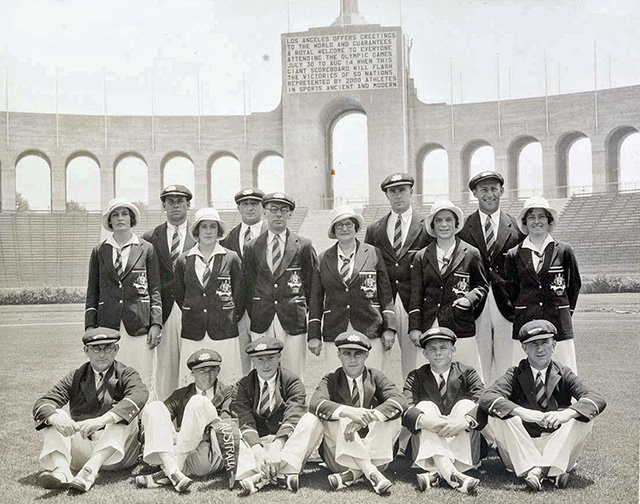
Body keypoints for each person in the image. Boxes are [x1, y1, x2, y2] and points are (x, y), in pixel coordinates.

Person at [479, 320, 605, 491]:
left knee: (583, 417)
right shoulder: (515, 373)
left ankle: (537, 471)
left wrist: (566, 414)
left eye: (544, 343)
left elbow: (596, 398)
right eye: (533, 344)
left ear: (553, 345)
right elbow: (486, 397)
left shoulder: (564, 372)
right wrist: (523, 413)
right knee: (499, 415)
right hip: (521, 446)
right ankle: (553, 471)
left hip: (555, 442)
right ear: (524, 348)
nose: (540, 349)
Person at [33, 328, 148, 492]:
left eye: (108, 348)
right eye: (96, 349)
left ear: (116, 350)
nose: (102, 354)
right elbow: (43, 403)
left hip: (116, 454)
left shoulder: (126, 374)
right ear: (86, 351)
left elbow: (139, 395)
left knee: (123, 416)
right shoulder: (76, 376)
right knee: (54, 414)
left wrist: (102, 420)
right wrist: (56, 419)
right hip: (82, 447)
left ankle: (90, 471)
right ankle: (62, 471)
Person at [309, 331, 407, 495]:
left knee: (391, 416)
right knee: (337, 415)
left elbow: (400, 401)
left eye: (358, 354)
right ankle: (371, 472)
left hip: (377, 455)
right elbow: (316, 404)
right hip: (340, 458)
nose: (353, 360)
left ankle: (353, 475)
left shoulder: (375, 376)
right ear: (339, 354)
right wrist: (349, 412)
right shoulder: (331, 379)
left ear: (366, 355)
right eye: (347, 354)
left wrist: (366, 418)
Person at [85, 197, 162, 397]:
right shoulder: (99, 251)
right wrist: (90, 327)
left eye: (124, 214)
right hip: (108, 325)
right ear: (109, 221)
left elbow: (155, 289)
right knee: (112, 376)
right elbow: (92, 291)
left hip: (138, 324)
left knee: (141, 374)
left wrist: (156, 323)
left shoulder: (146, 248)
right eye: (115, 215)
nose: (120, 218)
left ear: (132, 218)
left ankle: (144, 422)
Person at [308, 205, 396, 374]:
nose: (344, 228)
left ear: (356, 227)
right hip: (335, 328)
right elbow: (316, 300)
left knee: (373, 376)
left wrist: (389, 328)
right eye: (339, 225)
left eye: (349, 224)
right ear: (333, 230)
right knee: (336, 379)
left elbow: (386, 294)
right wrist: (313, 335)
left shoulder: (373, 253)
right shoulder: (323, 258)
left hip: (370, 327)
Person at [408, 200, 489, 383]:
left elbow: (482, 286)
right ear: (432, 225)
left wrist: (469, 299)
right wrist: (414, 327)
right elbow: (416, 295)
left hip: (461, 324)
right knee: (430, 374)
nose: (444, 225)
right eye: (439, 221)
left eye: (448, 220)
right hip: (431, 324)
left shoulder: (471, 253)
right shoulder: (422, 256)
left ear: (456, 224)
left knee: (467, 373)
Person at [135, 348, 236, 493]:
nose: (207, 375)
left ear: (219, 370)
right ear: (192, 373)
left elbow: (225, 424)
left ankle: (169, 470)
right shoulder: (181, 394)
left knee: (197, 402)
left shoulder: (228, 392)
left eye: (212, 370)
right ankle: (174, 471)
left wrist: (190, 434)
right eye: (201, 371)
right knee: (154, 407)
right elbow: (160, 420)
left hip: (207, 454)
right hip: (186, 455)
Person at [242, 192, 318, 380]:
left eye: (284, 210)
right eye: (273, 209)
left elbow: (312, 285)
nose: (278, 214)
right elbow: (248, 285)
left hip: (292, 318)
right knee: (263, 371)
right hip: (262, 318)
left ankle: (295, 408)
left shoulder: (303, 245)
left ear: (290, 215)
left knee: (293, 373)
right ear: (265, 212)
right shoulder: (252, 246)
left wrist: (301, 308)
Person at [457, 171, 525, 383]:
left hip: (507, 304)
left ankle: (506, 410)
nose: (489, 194)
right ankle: (480, 410)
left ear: (502, 191)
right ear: (475, 193)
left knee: (508, 363)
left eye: (494, 189)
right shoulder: (463, 228)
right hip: (476, 304)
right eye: (483, 189)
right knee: (478, 365)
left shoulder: (516, 227)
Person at [364, 172, 433, 380]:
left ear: (411, 191)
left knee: (414, 360)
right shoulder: (375, 229)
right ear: (386, 196)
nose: (398, 195)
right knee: (377, 358)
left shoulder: (427, 226)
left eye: (402, 190)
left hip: (413, 301)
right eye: (392, 191)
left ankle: (414, 404)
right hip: (384, 303)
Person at [231, 337, 321, 494]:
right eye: (260, 359)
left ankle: (260, 478)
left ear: (279, 357)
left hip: (283, 445)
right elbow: (244, 419)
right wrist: (257, 449)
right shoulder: (243, 385)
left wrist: (277, 446)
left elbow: (294, 414)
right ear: (252, 360)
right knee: (227, 428)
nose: (266, 365)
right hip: (256, 445)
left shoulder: (292, 381)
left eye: (271, 358)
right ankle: (282, 476)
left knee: (313, 421)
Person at [403, 327, 485, 494]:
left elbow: (483, 403)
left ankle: (437, 475)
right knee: (425, 407)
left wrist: (460, 423)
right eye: (432, 349)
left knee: (466, 405)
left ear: (453, 350)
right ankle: (453, 475)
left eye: (443, 348)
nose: (438, 353)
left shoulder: (467, 372)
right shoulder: (416, 376)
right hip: (428, 451)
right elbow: (406, 410)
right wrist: (431, 423)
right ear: (425, 354)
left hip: (463, 446)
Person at [505, 196, 582, 373]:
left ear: (549, 221)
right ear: (525, 222)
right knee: (525, 375)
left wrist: (564, 311)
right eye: (531, 217)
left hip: (558, 322)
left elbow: (574, 285)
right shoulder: (514, 254)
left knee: (564, 372)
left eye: (541, 216)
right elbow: (511, 290)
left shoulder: (564, 250)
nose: (537, 221)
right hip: (526, 322)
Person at [174, 207, 244, 386]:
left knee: (227, 375)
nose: (208, 231)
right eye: (203, 226)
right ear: (196, 231)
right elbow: (180, 294)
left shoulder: (231, 258)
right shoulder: (184, 260)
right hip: (194, 330)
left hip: (224, 331)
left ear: (218, 231)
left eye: (212, 226)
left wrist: (225, 315)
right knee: (195, 378)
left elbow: (240, 294)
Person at [142, 184, 196, 400]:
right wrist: (153, 318)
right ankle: (166, 417)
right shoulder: (149, 237)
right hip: (163, 310)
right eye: (170, 201)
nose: (175, 206)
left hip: (192, 309)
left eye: (180, 201)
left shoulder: (201, 233)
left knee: (193, 364)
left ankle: (191, 415)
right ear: (163, 205)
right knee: (164, 369)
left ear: (188, 205)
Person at [220, 187, 266, 375]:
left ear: (262, 207)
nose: (249, 208)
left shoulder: (271, 235)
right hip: (237, 311)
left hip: (265, 310)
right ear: (238, 208)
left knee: (265, 361)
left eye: (254, 204)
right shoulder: (228, 238)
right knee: (239, 365)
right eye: (244, 204)